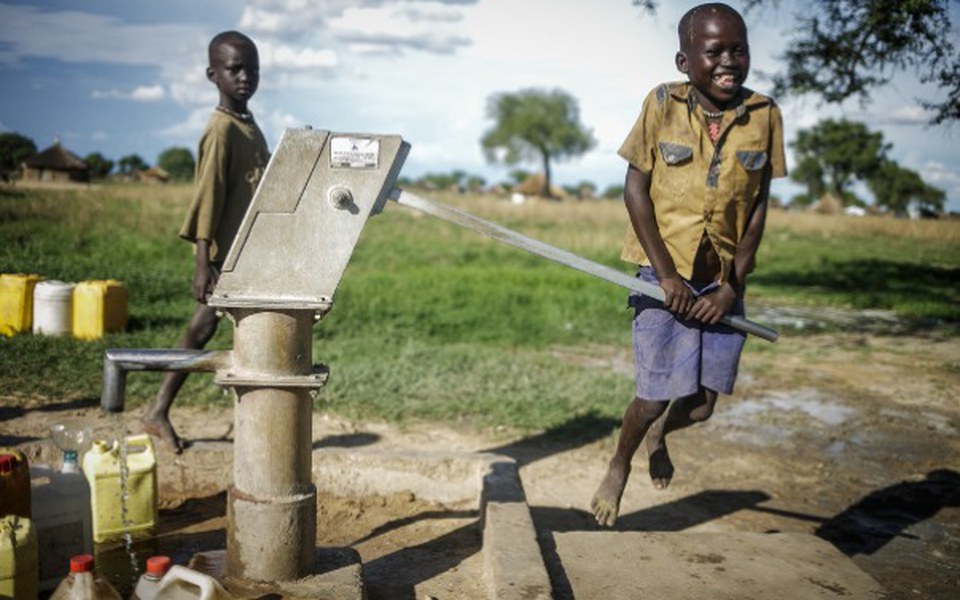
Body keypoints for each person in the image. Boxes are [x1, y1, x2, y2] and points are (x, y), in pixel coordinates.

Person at [591, 3, 787, 527]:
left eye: (739, 49)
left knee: (698, 406)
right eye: (715, 51)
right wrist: (668, 277)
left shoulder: (765, 114)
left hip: (722, 281)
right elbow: (635, 189)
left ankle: (661, 437)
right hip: (663, 274)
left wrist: (731, 284)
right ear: (685, 59)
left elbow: (759, 207)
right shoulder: (661, 104)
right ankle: (619, 462)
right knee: (654, 397)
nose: (729, 61)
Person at [141, 31, 269, 453]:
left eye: (251, 69)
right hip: (224, 254)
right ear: (213, 74)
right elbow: (208, 195)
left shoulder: (247, 126)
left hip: (246, 250)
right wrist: (202, 261)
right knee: (215, 328)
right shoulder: (220, 130)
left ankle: (162, 409)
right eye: (234, 69)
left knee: (205, 327)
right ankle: (163, 409)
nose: (244, 77)